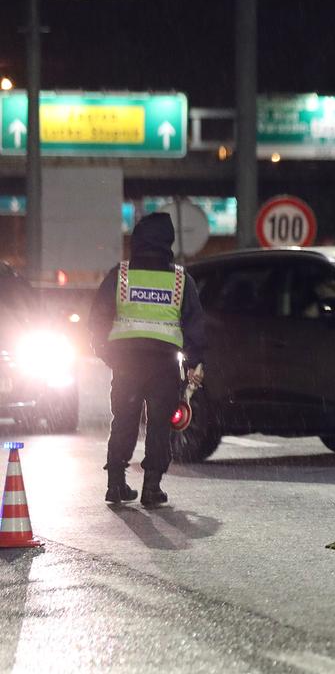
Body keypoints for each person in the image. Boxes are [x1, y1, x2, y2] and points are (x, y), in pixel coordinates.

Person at [88, 212, 206, 508]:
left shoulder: (121, 274)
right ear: (169, 242)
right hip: (164, 366)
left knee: (124, 422)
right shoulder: (180, 279)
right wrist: (195, 362)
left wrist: (105, 351)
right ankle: (152, 487)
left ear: (137, 240)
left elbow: (98, 317)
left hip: (126, 364)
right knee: (158, 426)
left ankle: (115, 484)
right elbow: (194, 324)